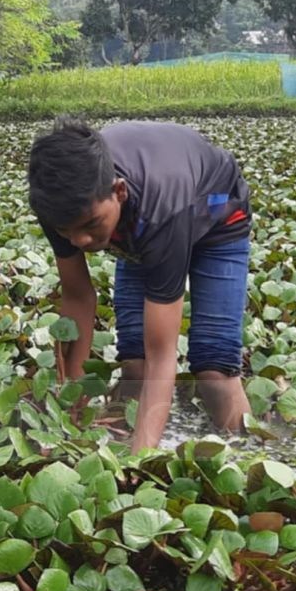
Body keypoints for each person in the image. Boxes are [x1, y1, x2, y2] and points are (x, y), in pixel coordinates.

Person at [27, 118, 254, 452]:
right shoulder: (58, 206)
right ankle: (125, 439)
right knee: (135, 365)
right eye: (67, 231)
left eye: (90, 225)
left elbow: (163, 353)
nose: (81, 241)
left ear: (118, 192)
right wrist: (72, 395)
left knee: (214, 373)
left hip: (215, 217)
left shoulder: (162, 212)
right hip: (136, 226)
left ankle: (248, 458)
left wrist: (140, 460)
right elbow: (77, 297)